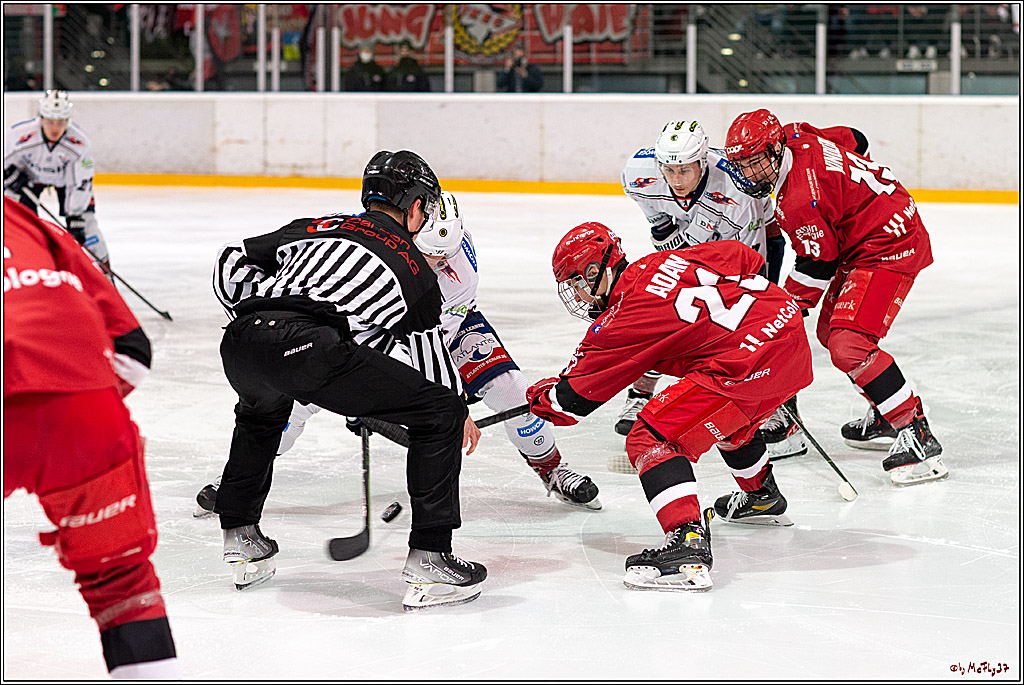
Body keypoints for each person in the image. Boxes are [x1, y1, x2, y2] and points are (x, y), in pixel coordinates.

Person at [195, 191, 602, 513]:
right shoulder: (381, 249)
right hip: (375, 327)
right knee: (295, 398)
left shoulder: (459, 268)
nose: (434, 263)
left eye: (441, 256)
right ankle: (238, 480)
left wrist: (446, 402)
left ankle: (551, 468)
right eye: (425, 255)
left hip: (448, 328)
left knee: (510, 388)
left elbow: (435, 339)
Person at [212, 150, 487, 611]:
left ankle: (240, 536)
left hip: (241, 344)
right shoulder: (415, 268)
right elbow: (429, 363)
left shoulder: (318, 226)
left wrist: (253, 313)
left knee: (262, 414)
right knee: (438, 413)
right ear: (417, 207)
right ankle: (431, 559)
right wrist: (457, 410)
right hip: (310, 350)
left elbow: (232, 259)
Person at [525, 222, 813, 591]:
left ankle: (687, 545)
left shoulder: (621, 320)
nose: (578, 295)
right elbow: (749, 258)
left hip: (747, 364)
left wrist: (538, 396)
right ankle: (761, 497)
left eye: (577, 282)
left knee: (650, 436)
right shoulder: (663, 260)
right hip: (787, 334)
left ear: (597, 270)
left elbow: (570, 405)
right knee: (722, 419)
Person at [721, 108, 946, 486]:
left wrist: (779, 311)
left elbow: (817, 265)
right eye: (741, 163)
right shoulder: (797, 134)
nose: (748, 173)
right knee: (831, 334)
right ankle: (886, 409)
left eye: (756, 161)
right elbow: (855, 137)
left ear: (776, 150)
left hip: (889, 245)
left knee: (850, 343)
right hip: (864, 238)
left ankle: (915, 429)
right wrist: (852, 195)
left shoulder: (798, 202)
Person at [3, 198, 178, 678]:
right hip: (83, 411)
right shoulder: (24, 218)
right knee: (123, 585)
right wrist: (70, 397)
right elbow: (133, 353)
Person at [617, 120, 804, 460]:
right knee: (667, 313)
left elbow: (753, 269)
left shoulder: (738, 192)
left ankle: (783, 415)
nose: (675, 179)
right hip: (695, 236)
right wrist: (680, 259)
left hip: (751, 240)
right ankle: (640, 394)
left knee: (757, 327)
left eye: (684, 170)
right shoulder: (638, 173)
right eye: (669, 170)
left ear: (702, 162)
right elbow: (660, 224)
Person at [4, 90, 110, 270]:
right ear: (41, 118)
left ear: (67, 121)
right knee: (18, 223)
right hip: (28, 181)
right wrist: (8, 177)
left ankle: (104, 275)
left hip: (67, 182)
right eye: (50, 122)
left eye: (60, 123)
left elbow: (81, 182)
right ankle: (26, 270)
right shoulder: (18, 136)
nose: (55, 128)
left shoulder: (79, 143)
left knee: (88, 226)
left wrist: (75, 214)